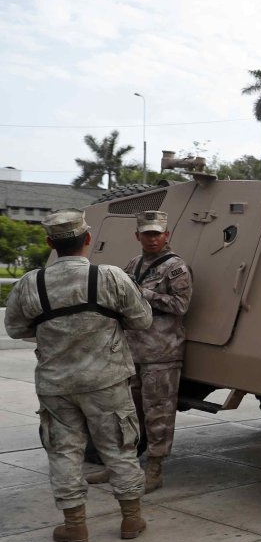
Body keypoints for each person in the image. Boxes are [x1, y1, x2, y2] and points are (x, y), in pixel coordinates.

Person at [4, 209, 153, 542]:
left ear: (49, 243)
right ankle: (131, 518)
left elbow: (14, 328)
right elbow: (142, 320)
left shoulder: (32, 282)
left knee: (64, 453)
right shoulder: (111, 277)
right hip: (107, 381)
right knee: (119, 448)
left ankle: (75, 526)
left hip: (56, 385)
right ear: (88, 239)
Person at [85, 210, 192, 492]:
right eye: (147, 234)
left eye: (157, 233)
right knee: (127, 412)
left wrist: (144, 294)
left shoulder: (176, 267)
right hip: (132, 351)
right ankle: (121, 464)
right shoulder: (134, 263)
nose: (152, 238)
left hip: (161, 352)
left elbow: (181, 305)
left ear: (166, 235)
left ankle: (154, 469)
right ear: (138, 236)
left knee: (158, 412)